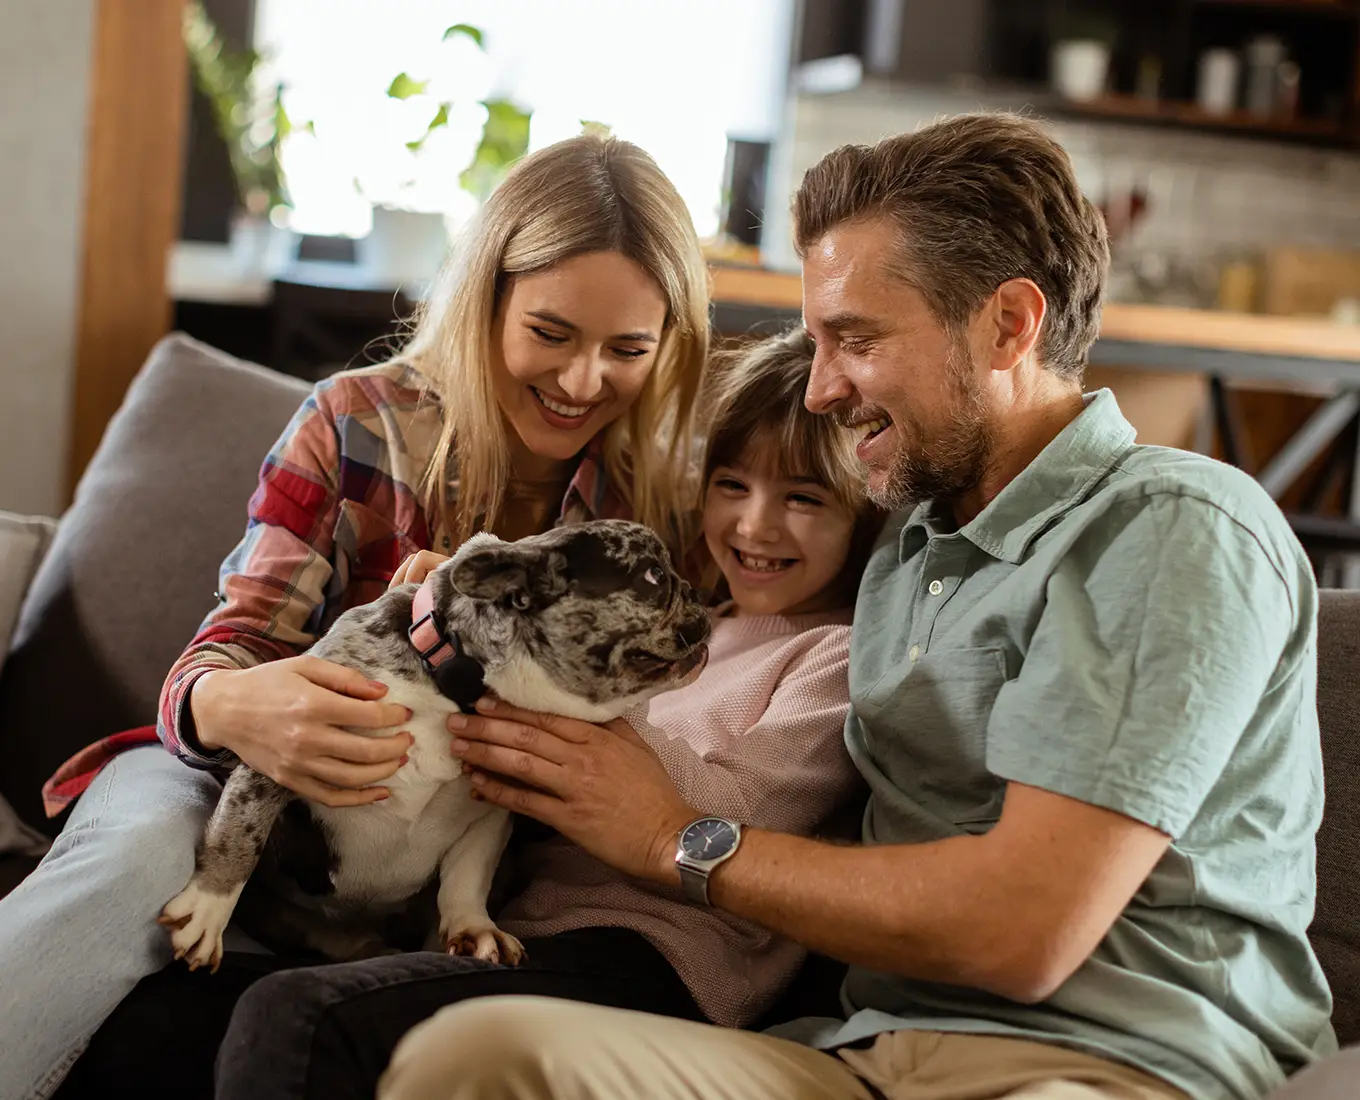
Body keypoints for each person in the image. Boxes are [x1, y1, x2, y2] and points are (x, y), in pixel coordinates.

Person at [374, 113, 1335, 1100]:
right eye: (816, 340)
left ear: (1008, 323)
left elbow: (1022, 930)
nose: (823, 388)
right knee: (473, 1053)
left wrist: (674, 835)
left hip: (1109, 1064)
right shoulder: (904, 550)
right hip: (863, 1051)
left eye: (856, 340)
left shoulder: (1171, 524)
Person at [0, 131, 710, 1100]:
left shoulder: (656, 496)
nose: (584, 380)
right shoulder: (359, 421)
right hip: (239, 779)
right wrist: (229, 707)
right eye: (550, 333)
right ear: (487, 298)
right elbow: (238, 635)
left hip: (450, 839)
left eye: (626, 348)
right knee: (140, 849)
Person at [208, 327, 880, 1100]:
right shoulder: (693, 626)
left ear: (862, 516)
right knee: (174, 1018)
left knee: (298, 1018)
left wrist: (563, 706)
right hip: (511, 924)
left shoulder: (834, 656)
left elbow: (748, 818)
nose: (754, 526)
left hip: (649, 957)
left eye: (803, 499)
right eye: (732, 485)